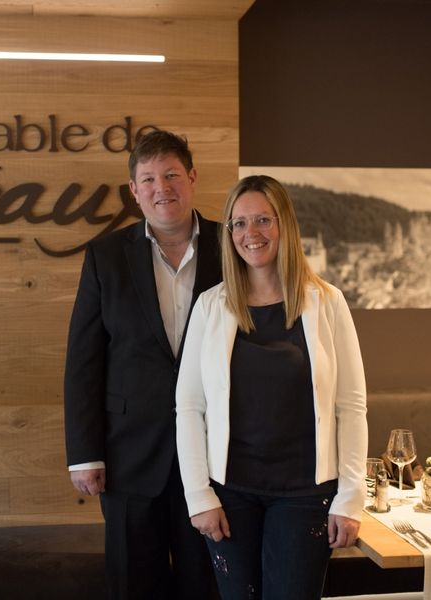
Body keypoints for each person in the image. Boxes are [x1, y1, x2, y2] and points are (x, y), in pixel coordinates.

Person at [175, 174, 367, 600]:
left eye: (263, 219)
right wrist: (198, 495)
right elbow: (188, 408)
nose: (251, 233)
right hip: (229, 492)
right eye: (239, 223)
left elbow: (352, 407)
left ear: (285, 225)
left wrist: (351, 498)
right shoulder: (210, 306)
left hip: (306, 495)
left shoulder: (328, 302)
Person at [64, 130, 222, 599]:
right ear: (134, 190)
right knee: (134, 586)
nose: (161, 188)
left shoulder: (232, 245)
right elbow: (84, 361)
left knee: (207, 585)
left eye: (171, 175)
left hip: (216, 457)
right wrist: (85, 454)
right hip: (128, 459)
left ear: (191, 178)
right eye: (149, 179)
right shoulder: (106, 256)